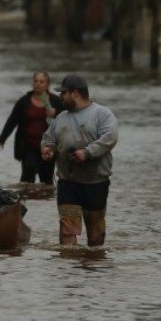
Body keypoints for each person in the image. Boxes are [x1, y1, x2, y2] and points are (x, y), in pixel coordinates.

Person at [41, 74, 119, 247]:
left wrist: (87, 152)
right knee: (67, 229)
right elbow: (48, 138)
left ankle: (93, 267)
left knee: (95, 233)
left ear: (75, 93)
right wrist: (47, 149)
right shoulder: (61, 118)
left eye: (63, 93)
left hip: (96, 181)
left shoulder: (102, 114)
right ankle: (68, 269)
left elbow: (110, 137)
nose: (60, 97)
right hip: (68, 182)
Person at [0, 72, 64, 184]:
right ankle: (27, 200)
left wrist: (55, 112)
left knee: (46, 179)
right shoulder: (24, 101)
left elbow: (68, 116)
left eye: (41, 81)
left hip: (49, 147)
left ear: (47, 84)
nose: (38, 84)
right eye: (36, 81)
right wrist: (2, 139)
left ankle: (45, 201)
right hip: (28, 146)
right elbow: (12, 120)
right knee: (27, 176)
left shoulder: (55, 101)